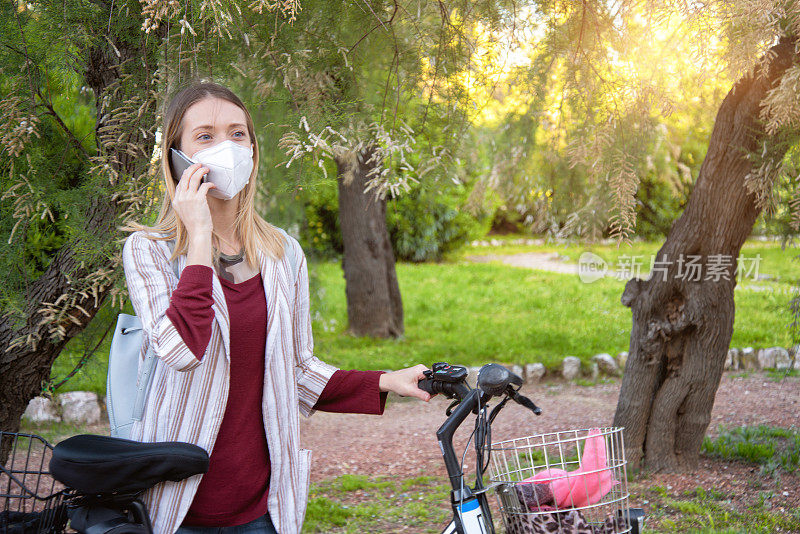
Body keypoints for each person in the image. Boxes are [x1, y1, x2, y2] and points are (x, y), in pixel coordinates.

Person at [120, 81, 430, 534]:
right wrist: (200, 236)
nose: (226, 147)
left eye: (237, 134)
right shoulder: (149, 250)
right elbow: (180, 351)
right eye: (205, 136)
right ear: (177, 157)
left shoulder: (283, 253)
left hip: (260, 508)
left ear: (253, 149)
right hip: (178, 505)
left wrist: (385, 381)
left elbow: (298, 369)